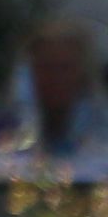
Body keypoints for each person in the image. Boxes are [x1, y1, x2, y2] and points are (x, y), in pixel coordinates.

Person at [32, 20, 107, 157]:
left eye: (64, 67)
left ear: (82, 72)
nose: (55, 77)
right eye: (46, 67)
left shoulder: (102, 127)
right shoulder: (12, 126)